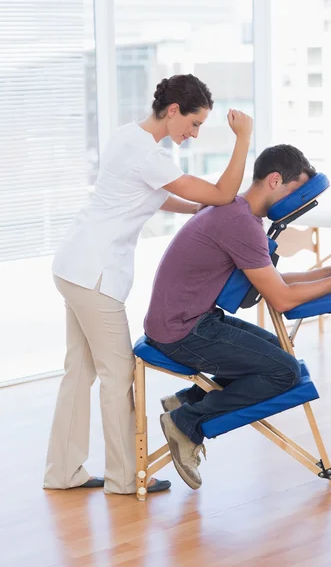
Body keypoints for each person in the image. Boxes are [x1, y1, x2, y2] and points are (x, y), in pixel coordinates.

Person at [44, 74, 253, 495]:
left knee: (80, 371)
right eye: (193, 124)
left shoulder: (129, 138)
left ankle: (63, 472)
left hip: (74, 264)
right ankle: (124, 478)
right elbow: (220, 193)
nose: (193, 135)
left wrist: (199, 207)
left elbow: (158, 196)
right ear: (173, 110)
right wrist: (243, 138)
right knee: (117, 376)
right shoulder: (150, 156)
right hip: (95, 274)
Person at [144, 144, 331, 490]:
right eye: (297, 191)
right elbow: (279, 298)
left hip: (187, 319)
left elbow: (270, 280)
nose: (299, 202)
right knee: (283, 371)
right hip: (182, 331)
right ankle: (186, 420)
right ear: (276, 181)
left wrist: (330, 272)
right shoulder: (241, 224)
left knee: (277, 349)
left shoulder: (238, 213)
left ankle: (188, 399)